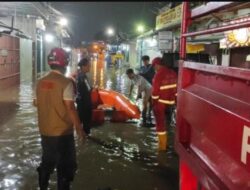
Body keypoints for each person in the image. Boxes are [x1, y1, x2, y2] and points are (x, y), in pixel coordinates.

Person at [34, 47, 85, 190]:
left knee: (48, 162)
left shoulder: (40, 82)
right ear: (65, 63)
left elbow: (37, 103)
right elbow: (70, 107)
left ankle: (42, 186)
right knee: (66, 167)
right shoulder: (66, 82)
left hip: (45, 131)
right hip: (62, 133)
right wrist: (79, 129)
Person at [151, 57, 177, 151]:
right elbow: (177, 89)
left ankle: (162, 147)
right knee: (170, 124)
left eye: (154, 66)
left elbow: (155, 91)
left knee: (160, 125)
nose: (154, 68)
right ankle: (172, 144)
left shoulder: (158, 75)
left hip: (160, 103)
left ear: (157, 65)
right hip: (171, 103)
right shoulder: (173, 73)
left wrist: (154, 103)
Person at [76, 57, 93, 136]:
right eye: (88, 66)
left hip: (80, 103)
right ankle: (86, 139)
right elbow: (88, 89)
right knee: (86, 125)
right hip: (85, 104)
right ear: (83, 66)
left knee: (81, 121)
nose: (90, 67)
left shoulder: (78, 75)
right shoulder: (83, 77)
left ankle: (81, 139)